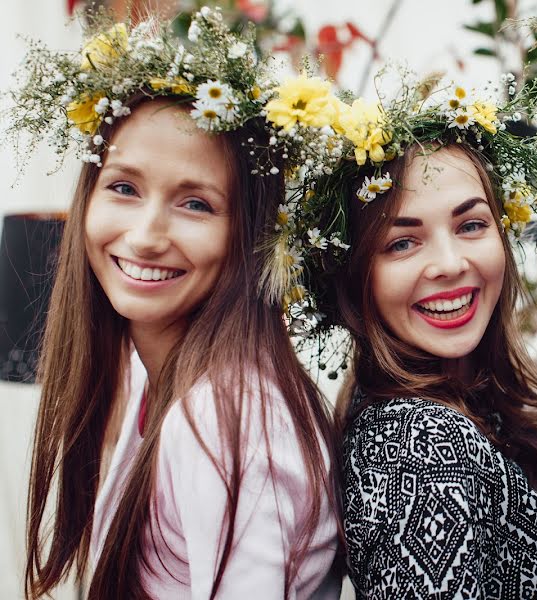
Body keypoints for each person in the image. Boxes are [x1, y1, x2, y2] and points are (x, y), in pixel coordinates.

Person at [10, 10, 342, 599]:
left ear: (251, 234)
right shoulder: (162, 384)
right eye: (124, 187)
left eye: (195, 204)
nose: (145, 235)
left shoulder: (227, 416)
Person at [285, 78, 537, 598]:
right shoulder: (421, 450)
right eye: (403, 242)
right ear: (355, 274)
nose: (451, 264)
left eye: (470, 225)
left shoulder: (455, 399)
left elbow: (526, 552)